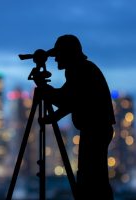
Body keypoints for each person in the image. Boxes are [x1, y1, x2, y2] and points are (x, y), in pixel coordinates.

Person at [38, 34, 116, 200]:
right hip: (96, 130)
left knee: (91, 178)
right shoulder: (81, 68)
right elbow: (73, 101)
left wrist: (45, 90)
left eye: (58, 55)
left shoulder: (78, 70)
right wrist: (54, 117)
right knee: (93, 177)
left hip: (95, 131)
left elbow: (66, 99)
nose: (56, 59)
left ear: (67, 54)